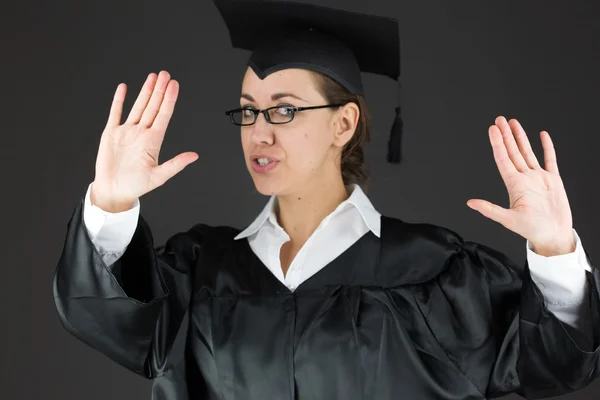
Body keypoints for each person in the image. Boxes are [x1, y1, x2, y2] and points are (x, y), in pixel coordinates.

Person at [53, 0, 600, 399]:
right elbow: (107, 319)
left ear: (344, 122)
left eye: (284, 110)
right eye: (248, 111)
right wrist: (111, 203)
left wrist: (554, 248)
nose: (258, 133)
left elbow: (557, 363)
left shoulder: (438, 272)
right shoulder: (201, 272)